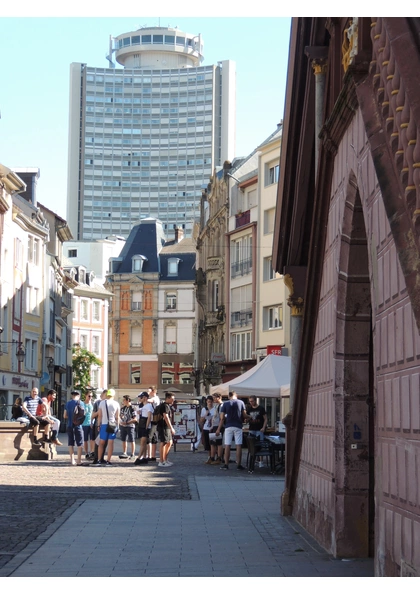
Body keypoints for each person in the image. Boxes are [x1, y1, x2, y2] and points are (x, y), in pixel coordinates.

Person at [215, 391, 246, 471]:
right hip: (238, 425)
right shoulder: (241, 402)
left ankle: (226, 464)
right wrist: (249, 417)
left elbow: (222, 417)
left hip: (228, 426)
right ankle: (238, 464)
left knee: (227, 445)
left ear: (229, 396)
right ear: (236, 395)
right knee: (238, 445)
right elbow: (244, 415)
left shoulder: (225, 404)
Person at [93, 388, 120, 466]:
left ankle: (99, 460)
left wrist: (98, 425)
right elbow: (117, 417)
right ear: (113, 395)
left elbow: (100, 415)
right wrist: (117, 426)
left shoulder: (102, 403)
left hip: (104, 424)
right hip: (112, 424)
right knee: (110, 443)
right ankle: (108, 460)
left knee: (101, 443)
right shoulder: (116, 403)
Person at [246, 396, 268, 468]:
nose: (251, 403)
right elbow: (247, 419)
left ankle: (261, 461)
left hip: (259, 429)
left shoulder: (261, 408)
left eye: (252, 401)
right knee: (252, 445)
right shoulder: (249, 409)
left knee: (260, 445)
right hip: (252, 428)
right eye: (250, 401)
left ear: (255, 401)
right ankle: (253, 460)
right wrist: (247, 419)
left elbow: (265, 419)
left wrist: (263, 427)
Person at [63, 390, 85, 466]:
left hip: (69, 425)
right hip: (78, 425)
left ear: (72, 395)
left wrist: (71, 417)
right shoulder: (81, 403)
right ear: (78, 396)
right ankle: (79, 460)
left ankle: (72, 460)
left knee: (70, 443)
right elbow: (83, 414)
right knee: (80, 443)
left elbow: (64, 416)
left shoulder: (68, 403)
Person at [134, 392, 154, 465]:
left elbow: (149, 417)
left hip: (145, 425)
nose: (139, 399)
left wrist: (147, 426)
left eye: (141, 397)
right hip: (141, 425)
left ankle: (139, 458)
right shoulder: (142, 406)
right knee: (143, 443)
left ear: (145, 398)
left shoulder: (149, 406)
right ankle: (144, 457)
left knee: (143, 442)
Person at [157, 392, 176, 467]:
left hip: (166, 427)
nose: (173, 401)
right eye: (172, 399)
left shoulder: (167, 405)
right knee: (163, 442)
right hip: (163, 427)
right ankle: (161, 461)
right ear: (167, 398)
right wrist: (171, 428)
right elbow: (166, 417)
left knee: (169, 442)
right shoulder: (164, 406)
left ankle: (165, 459)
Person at [91, 389, 108, 464]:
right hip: (99, 424)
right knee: (98, 442)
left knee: (105, 442)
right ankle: (96, 458)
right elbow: (93, 415)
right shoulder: (97, 403)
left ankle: (101, 457)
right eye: (106, 394)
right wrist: (99, 412)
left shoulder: (109, 403)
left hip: (107, 424)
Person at [209, 393, 224, 465]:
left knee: (218, 443)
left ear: (219, 397)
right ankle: (212, 457)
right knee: (212, 442)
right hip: (214, 426)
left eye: (214, 398)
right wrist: (212, 426)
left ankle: (219, 458)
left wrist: (219, 428)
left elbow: (222, 418)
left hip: (218, 426)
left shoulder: (221, 406)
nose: (213, 399)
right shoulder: (216, 405)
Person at [147, 386, 160, 461]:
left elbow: (150, 401)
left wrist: (146, 396)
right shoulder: (154, 398)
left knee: (150, 437)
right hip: (154, 420)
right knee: (154, 438)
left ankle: (150, 455)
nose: (149, 393)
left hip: (154, 420)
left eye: (150, 391)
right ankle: (153, 456)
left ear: (153, 391)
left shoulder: (155, 398)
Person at [201, 396, 215, 463]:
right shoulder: (204, 409)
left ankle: (214, 457)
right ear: (206, 402)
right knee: (207, 444)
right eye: (208, 402)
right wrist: (205, 415)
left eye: (211, 402)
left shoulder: (215, 409)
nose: (209, 403)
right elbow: (201, 420)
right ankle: (209, 457)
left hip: (213, 427)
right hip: (206, 427)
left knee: (213, 443)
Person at [82, 390, 94, 459]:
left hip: (91, 423)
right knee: (85, 440)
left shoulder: (92, 404)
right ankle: (86, 453)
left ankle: (92, 452)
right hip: (84, 424)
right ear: (85, 396)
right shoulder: (82, 404)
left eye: (91, 396)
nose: (90, 397)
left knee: (92, 439)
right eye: (89, 396)